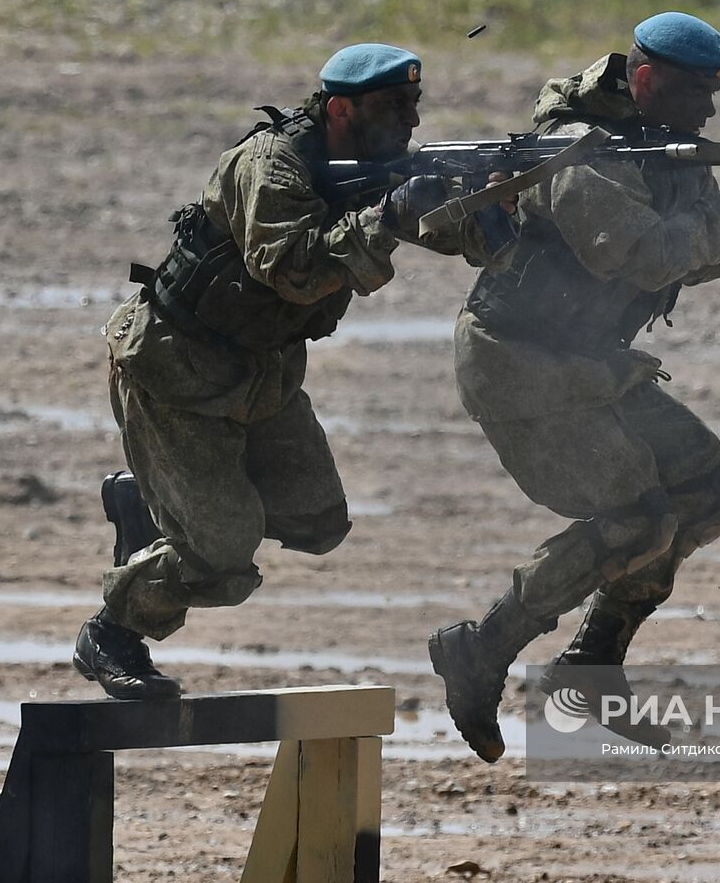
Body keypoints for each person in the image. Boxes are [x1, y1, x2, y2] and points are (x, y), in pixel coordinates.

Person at [428, 12, 720, 762]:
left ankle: (591, 669)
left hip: (591, 361)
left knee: (707, 491)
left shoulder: (667, 144)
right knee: (635, 520)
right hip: (520, 364)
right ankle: (483, 647)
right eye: (699, 92)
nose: (713, 111)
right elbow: (646, 258)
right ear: (647, 80)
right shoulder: (577, 152)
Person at [74, 43, 505, 700]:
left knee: (317, 521)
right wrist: (389, 213)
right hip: (176, 369)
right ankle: (113, 632)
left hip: (261, 373)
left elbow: (456, 235)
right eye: (392, 108)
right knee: (221, 556)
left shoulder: (375, 165)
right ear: (339, 108)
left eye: (413, 106)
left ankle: (149, 506)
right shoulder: (269, 164)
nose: (409, 124)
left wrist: (495, 206)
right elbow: (296, 271)